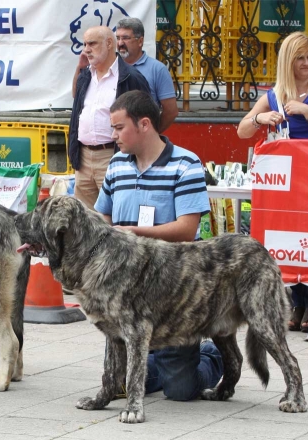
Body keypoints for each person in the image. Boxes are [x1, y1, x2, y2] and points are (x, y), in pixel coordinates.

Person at [95, 90, 223, 400]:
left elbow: (187, 229)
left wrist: (133, 232)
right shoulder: (116, 166)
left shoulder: (186, 163)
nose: (113, 135)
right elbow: (102, 218)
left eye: (119, 127)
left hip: (173, 293)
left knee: (181, 391)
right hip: (125, 291)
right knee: (121, 387)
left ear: (144, 125)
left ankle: (210, 355)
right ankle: (152, 357)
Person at [237, 32, 308, 333]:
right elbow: (242, 131)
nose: (307, 64)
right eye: (300, 58)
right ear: (288, 61)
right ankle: (295, 302)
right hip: (285, 184)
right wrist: (261, 119)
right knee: (288, 237)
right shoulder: (272, 96)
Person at [69, 25, 150, 210]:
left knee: (117, 216)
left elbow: (148, 119)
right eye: (84, 44)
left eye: (92, 44)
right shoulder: (86, 75)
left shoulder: (131, 77)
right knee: (84, 222)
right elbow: (77, 104)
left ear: (108, 43)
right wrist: (79, 69)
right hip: (83, 158)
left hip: (114, 155)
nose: (86, 49)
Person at [115, 17, 178, 133]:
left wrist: (152, 134)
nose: (120, 43)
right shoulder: (111, 67)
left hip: (141, 143)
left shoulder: (157, 69)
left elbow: (171, 111)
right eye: (118, 38)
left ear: (140, 41)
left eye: (126, 38)